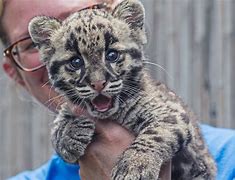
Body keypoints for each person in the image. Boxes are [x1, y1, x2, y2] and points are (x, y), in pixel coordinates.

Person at [0, 0, 234, 180]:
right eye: (31, 42)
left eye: (111, 55)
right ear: (13, 72)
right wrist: (64, 137)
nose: (98, 81)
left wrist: (140, 158)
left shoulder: (230, 158)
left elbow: (175, 124)